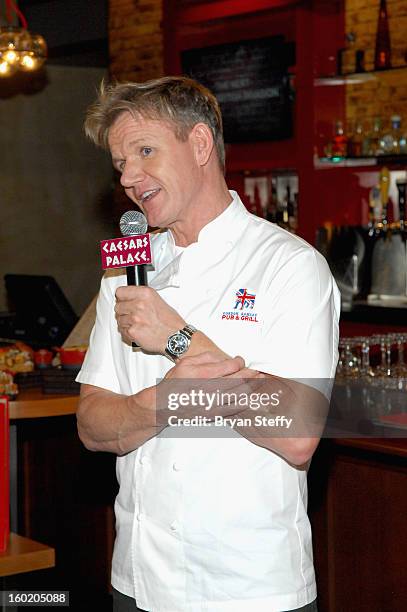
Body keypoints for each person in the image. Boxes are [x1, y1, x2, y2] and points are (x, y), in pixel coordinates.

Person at [76, 76, 340, 612]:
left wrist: (176, 338)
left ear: (200, 145)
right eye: (120, 163)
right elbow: (92, 426)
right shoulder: (124, 273)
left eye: (145, 151)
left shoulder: (290, 265)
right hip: (138, 581)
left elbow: (298, 437)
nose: (129, 176)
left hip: (249, 587)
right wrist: (165, 400)